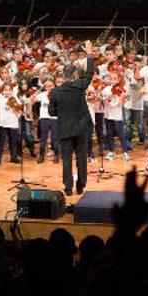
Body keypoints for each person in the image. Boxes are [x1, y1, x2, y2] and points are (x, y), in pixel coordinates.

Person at [49, 40, 94, 196]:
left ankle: (68, 189)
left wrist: (63, 112)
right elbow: (90, 73)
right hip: (81, 130)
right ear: (74, 75)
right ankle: (80, 186)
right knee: (81, 159)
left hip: (65, 130)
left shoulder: (55, 92)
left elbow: (51, 112)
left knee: (66, 161)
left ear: (63, 75)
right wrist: (89, 53)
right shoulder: (80, 86)